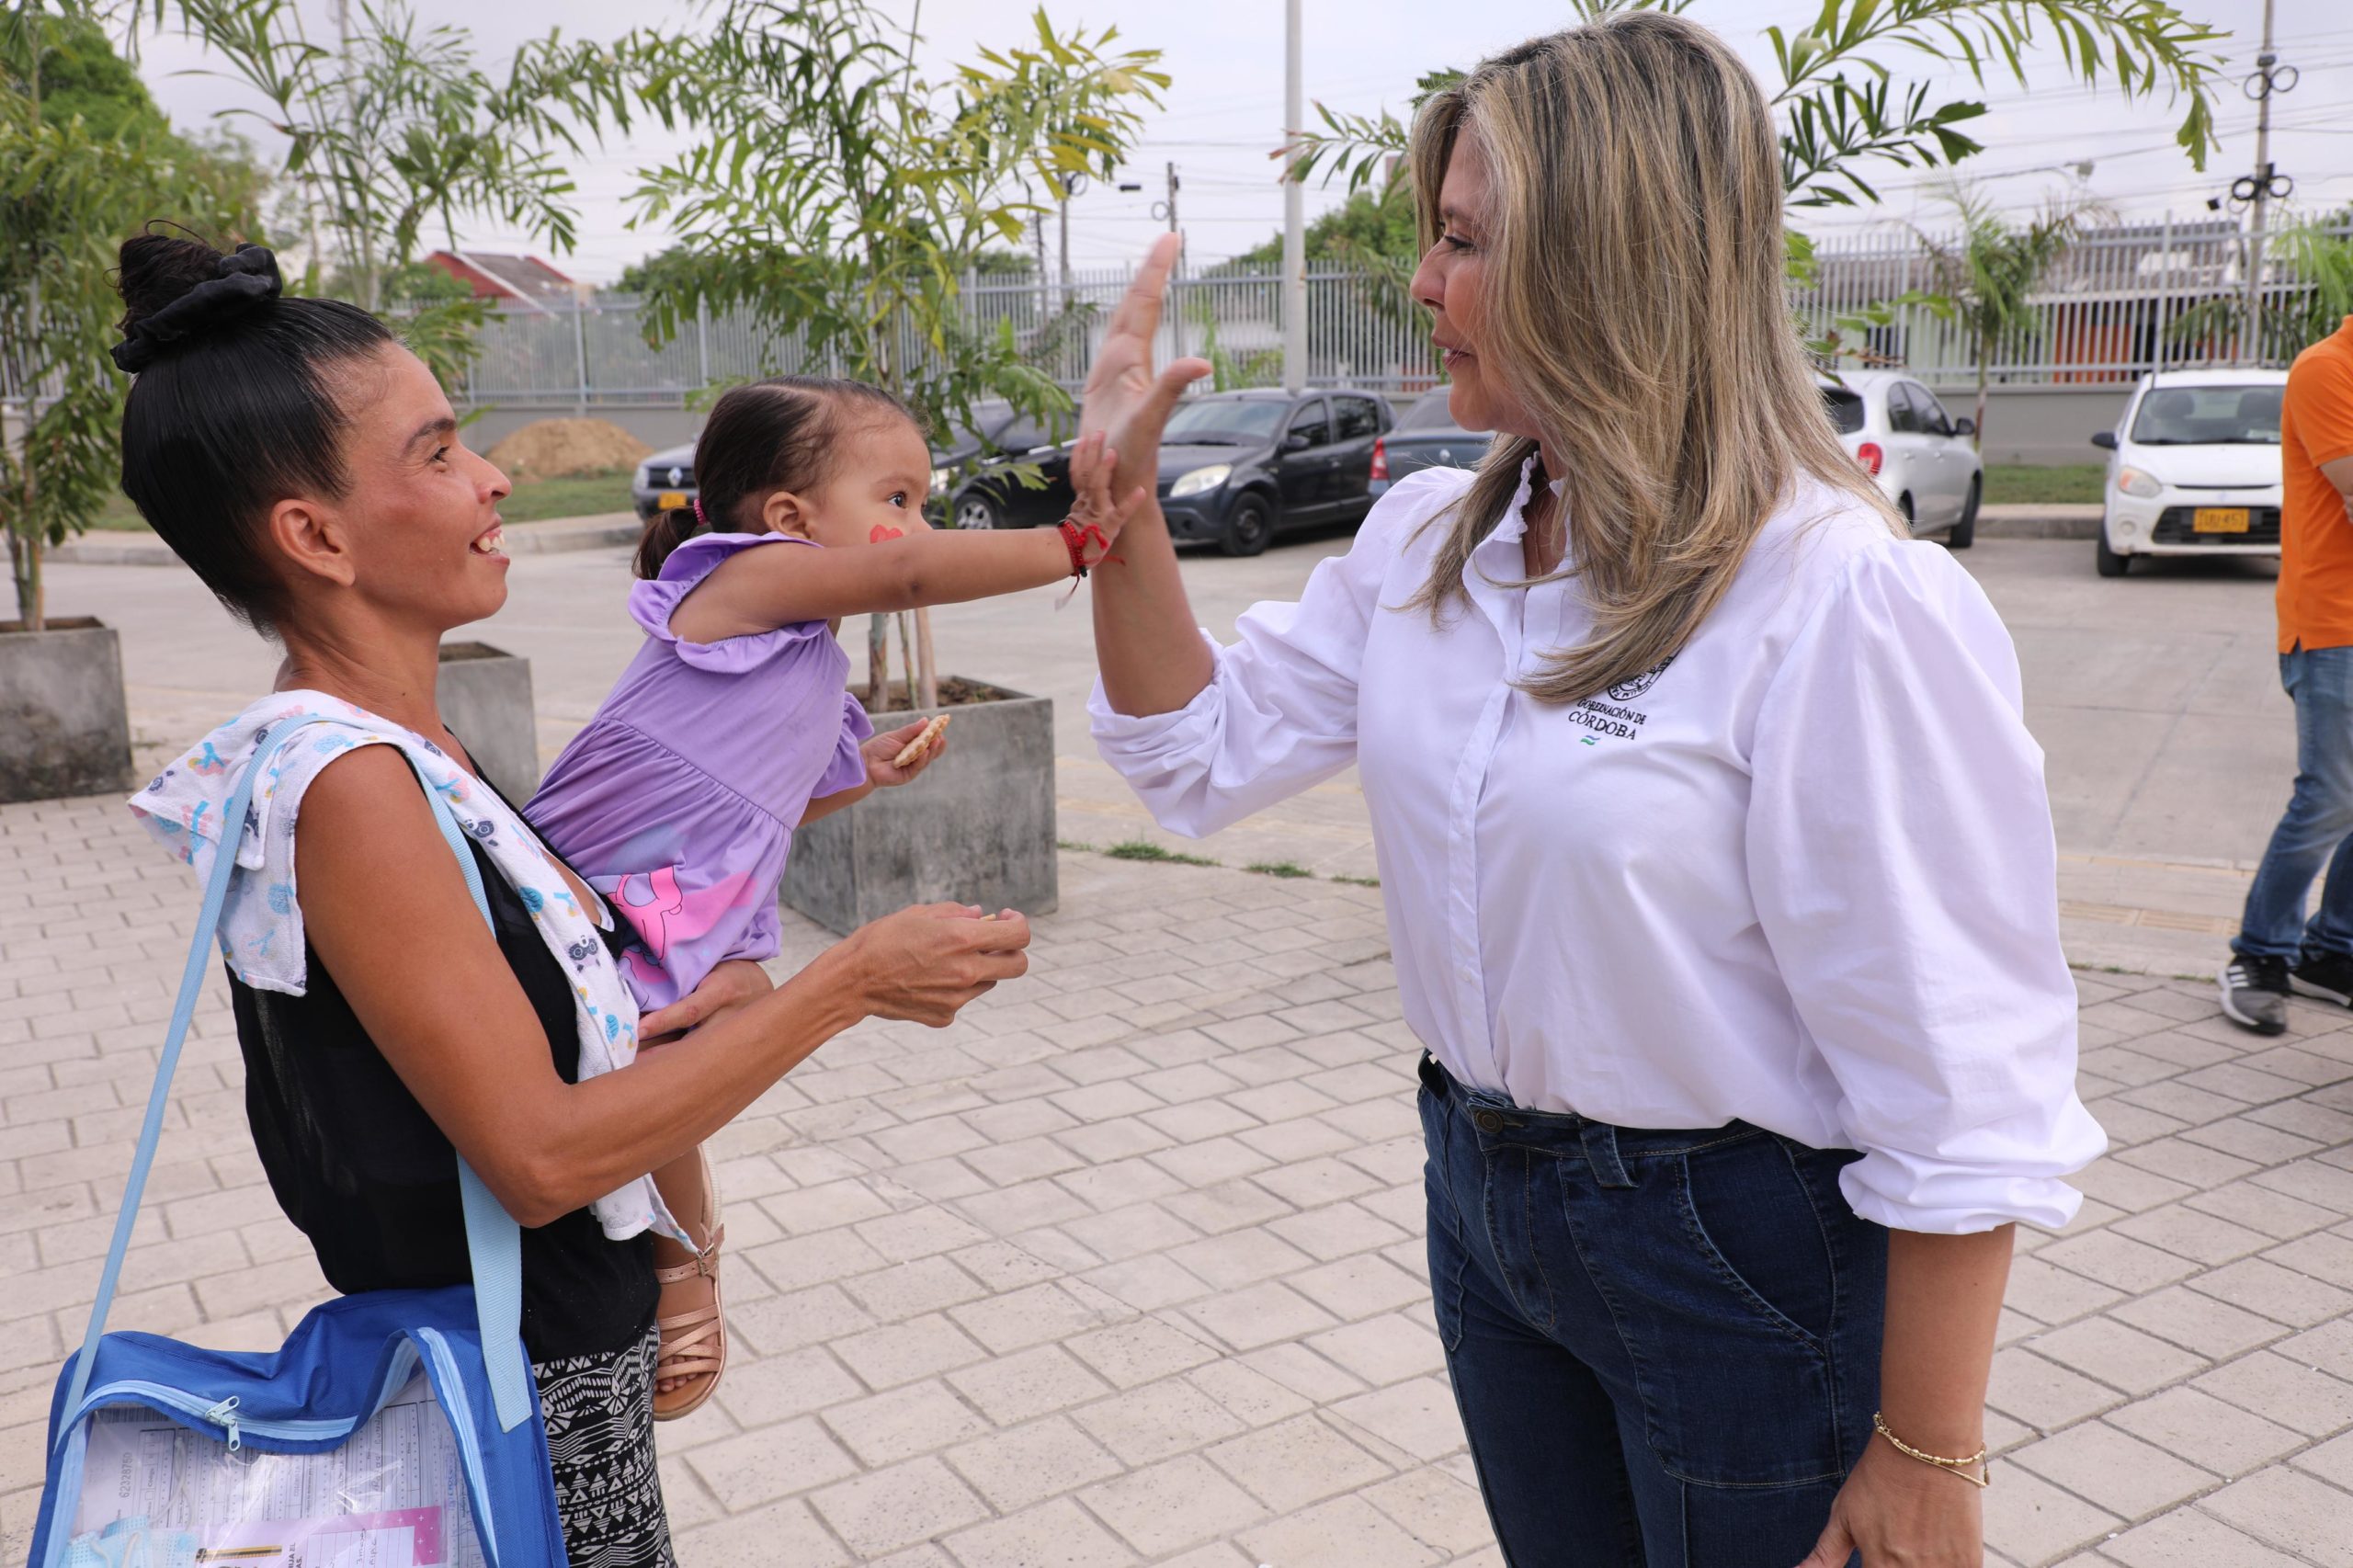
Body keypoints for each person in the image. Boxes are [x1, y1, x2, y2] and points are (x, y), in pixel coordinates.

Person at [1075, 16, 2102, 1567]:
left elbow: (1965, 1076)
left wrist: (1927, 1456)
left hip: (1733, 1255)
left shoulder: (1832, 601)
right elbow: (1194, 755)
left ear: (1614, 260)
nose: (1421, 283)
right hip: (1485, 1203)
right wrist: (1124, 514)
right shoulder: (1434, 542)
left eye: (1464, 240)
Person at [110, 231, 1030, 1567]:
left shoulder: (403, 752)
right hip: (513, 1399)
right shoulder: (353, 782)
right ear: (312, 535)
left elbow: (535, 1034)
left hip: (535, 1370)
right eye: (435, 453)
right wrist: (850, 983)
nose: (491, 479)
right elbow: (539, 1153)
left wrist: (721, 1004)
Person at [523, 377, 1143, 1417]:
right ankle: (677, 1252)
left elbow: (763, 807)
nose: (916, 526)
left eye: (921, 502)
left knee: (671, 1056)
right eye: (896, 497)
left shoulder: (808, 653)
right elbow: (904, 573)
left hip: (683, 894)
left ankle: (684, 1253)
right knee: (630, 1056)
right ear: (788, 520)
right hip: (596, 874)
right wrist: (1072, 543)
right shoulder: (738, 579)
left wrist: (865, 769)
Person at [2219, 314, 2353, 1035]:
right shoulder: (2327, 369)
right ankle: (2259, 952)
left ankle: (2330, 953)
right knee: (2332, 794)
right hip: (2335, 623)